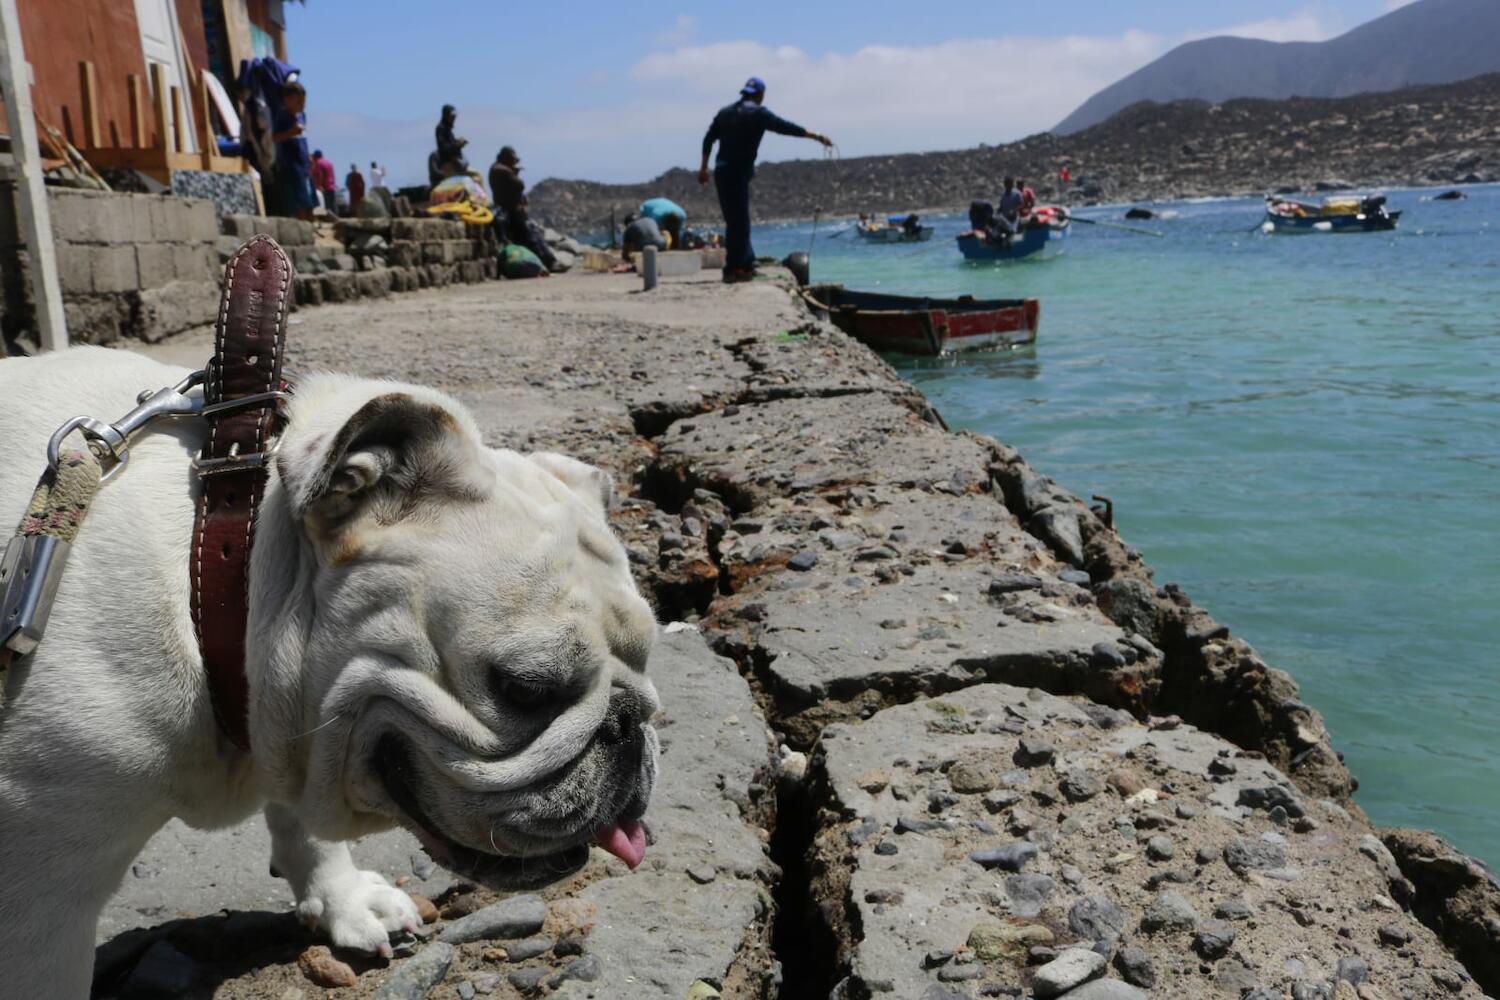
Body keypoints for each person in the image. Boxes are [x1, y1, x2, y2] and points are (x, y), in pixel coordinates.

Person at [698, 76, 832, 282]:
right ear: (760, 95)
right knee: (739, 221)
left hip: (722, 172)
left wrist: (703, 168)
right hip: (737, 172)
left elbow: (708, 139)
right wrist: (816, 136)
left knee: (734, 219)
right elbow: (785, 127)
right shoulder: (759, 114)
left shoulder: (724, 113)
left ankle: (745, 261)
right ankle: (736, 267)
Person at [486, 145, 559, 270]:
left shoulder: (498, 168)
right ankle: (548, 262)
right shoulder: (502, 170)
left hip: (511, 210)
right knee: (531, 237)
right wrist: (515, 173)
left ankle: (546, 262)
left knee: (531, 236)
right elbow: (519, 185)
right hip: (510, 211)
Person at [270, 79, 317, 219]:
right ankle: (303, 227)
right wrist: (291, 132)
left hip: (303, 164)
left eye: (303, 102)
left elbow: (303, 138)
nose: (302, 106)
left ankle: (310, 225)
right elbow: (274, 138)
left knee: (310, 199)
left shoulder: (302, 116)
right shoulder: (283, 117)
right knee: (299, 202)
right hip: (291, 165)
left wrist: (308, 156)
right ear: (287, 100)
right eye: (298, 102)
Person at [431, 104, 468, 186]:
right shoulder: (441, 128)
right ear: (446, 115)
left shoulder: (448, 129)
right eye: (452, 116)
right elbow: (444, 147)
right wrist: (457, 144)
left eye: (454, 116)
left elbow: (450, 142)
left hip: (455, 163)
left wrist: (458, 142)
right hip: (448, 164)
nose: (453, 118)